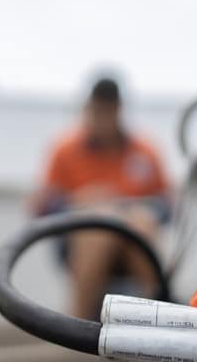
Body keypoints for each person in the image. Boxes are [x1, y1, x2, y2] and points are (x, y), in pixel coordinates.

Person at [30, 77, 171, 319]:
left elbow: (166, 204)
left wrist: (130, 207)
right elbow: (41, 206)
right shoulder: (66, 149)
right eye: (97, 111)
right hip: (81, 239)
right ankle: (79, 323)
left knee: (140, 221)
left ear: (118, 110)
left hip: (132, 237)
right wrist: (77, 200)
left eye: (108, 111)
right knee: (99, 227)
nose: (102, 119)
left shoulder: (143, 151)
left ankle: (155, 320)